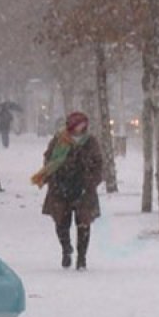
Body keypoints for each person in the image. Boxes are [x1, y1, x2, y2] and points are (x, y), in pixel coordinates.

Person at [31, 111, 103, 270]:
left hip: (84, 189)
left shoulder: (90, 141)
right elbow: (49, 160)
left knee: (83, 224)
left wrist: (92, 181)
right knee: (61, 223)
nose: (81, 127)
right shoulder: (59, 140)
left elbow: (98, 162)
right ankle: (66, 248)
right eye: (78, 124)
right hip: (60, 188)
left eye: (83, 124)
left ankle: (82, 257)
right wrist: (54, 176)